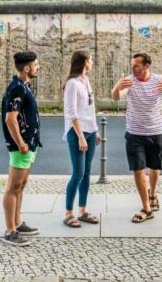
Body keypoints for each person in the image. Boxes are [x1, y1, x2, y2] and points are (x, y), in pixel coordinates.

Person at [111, 53, 162, 223]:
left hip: (155, 132)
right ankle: (146, 208)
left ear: (146, 66)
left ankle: (153, 194)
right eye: (132, 65)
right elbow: (116, 97)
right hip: (134, 133)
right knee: (138, 169)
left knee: (155, 168)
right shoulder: (129, 80)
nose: (132, 68)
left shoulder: (158, 80)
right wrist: (117, 87)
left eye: (136, 65)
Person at [1, 51, 42, 246]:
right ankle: (10, 231)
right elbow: (10, 119)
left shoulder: (24, 86)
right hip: (21, 147)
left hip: (29, 145)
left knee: (21, 185)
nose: (38, 67)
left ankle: (17, 222)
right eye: (36, 65)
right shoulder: (17, 88)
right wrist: (21, 144)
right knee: (13, 187)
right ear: (27, 68)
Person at [62, 50, 100, 228]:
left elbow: (89, 109)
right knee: (77, 174)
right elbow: (72, 112)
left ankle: (82, 211)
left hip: (90, 132)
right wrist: (80, 137)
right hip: (77, 133)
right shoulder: (72, 84)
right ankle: (68, 213)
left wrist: (95, 131)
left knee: (86, 174)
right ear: (84, 62)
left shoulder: (86, 81)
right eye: (90, 60)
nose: (92, 62)